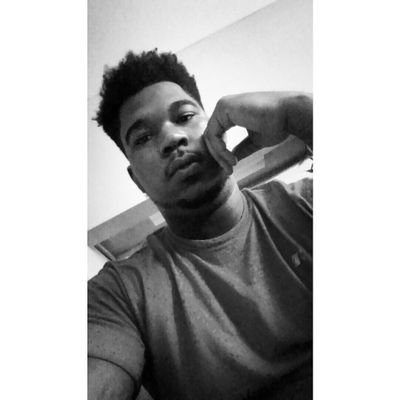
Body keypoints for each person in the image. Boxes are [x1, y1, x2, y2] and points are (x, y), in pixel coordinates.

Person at [88, 50, 313, 400]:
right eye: (143, 137)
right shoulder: (120, 294)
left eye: (185, 116)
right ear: (137, 180)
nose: (171, 138)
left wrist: (299, 112)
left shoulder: (306, 203)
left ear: (216, 125)